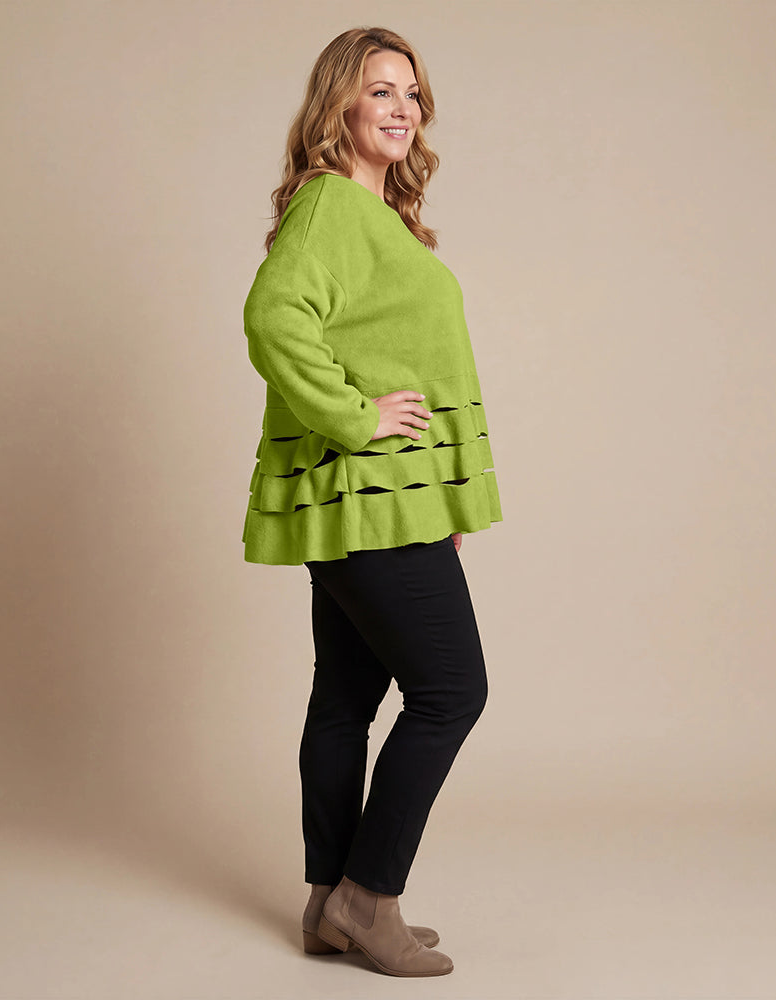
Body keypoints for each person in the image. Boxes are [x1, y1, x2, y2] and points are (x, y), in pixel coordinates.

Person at [242, 26, 501, 978]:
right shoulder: (329, 206)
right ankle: (368, 896)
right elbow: (274, 317)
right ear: (338, 105)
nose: (403, 108)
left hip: (381, 501)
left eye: (412, 93)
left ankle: (326, 907)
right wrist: (357, 419)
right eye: (380, 89)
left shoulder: (375, 215)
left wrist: (442, 499)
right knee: (451, 691)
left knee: (346, 697)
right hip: (364, 486)